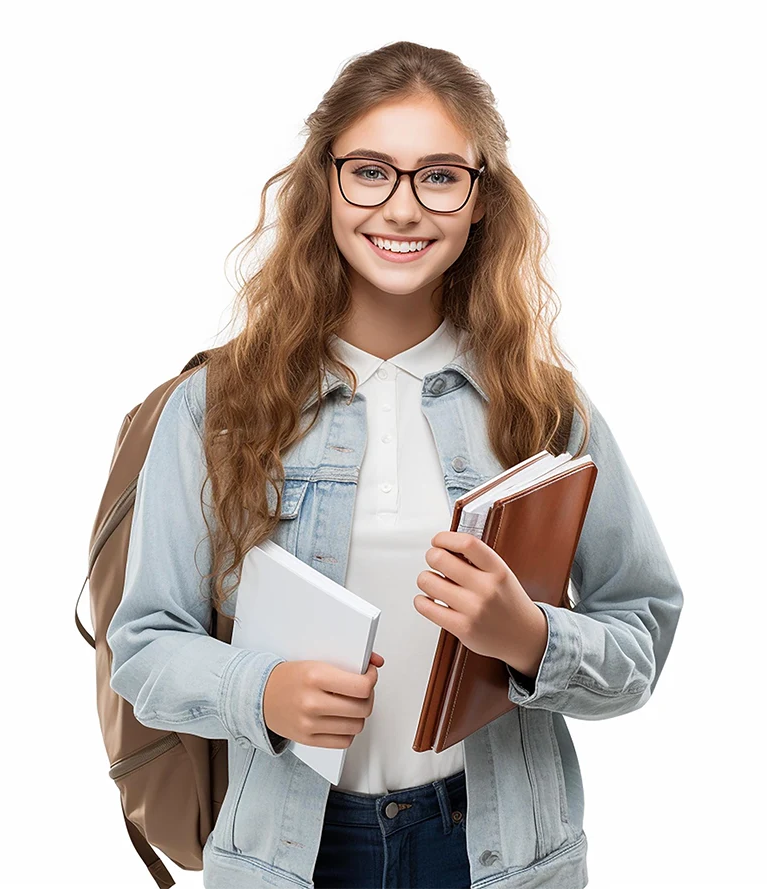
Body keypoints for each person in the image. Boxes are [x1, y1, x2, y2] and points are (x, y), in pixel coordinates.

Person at [106, 40, 684, 889]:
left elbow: (641, 634)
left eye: (440, 175)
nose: (403, 208)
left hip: (495, 851)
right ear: (324, 183)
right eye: (370, 171)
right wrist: (261, 690)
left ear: (481, 197)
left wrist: (527, 637)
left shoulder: (542, 403)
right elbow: (144, 648)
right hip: (291, 851)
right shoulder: (215, 406)